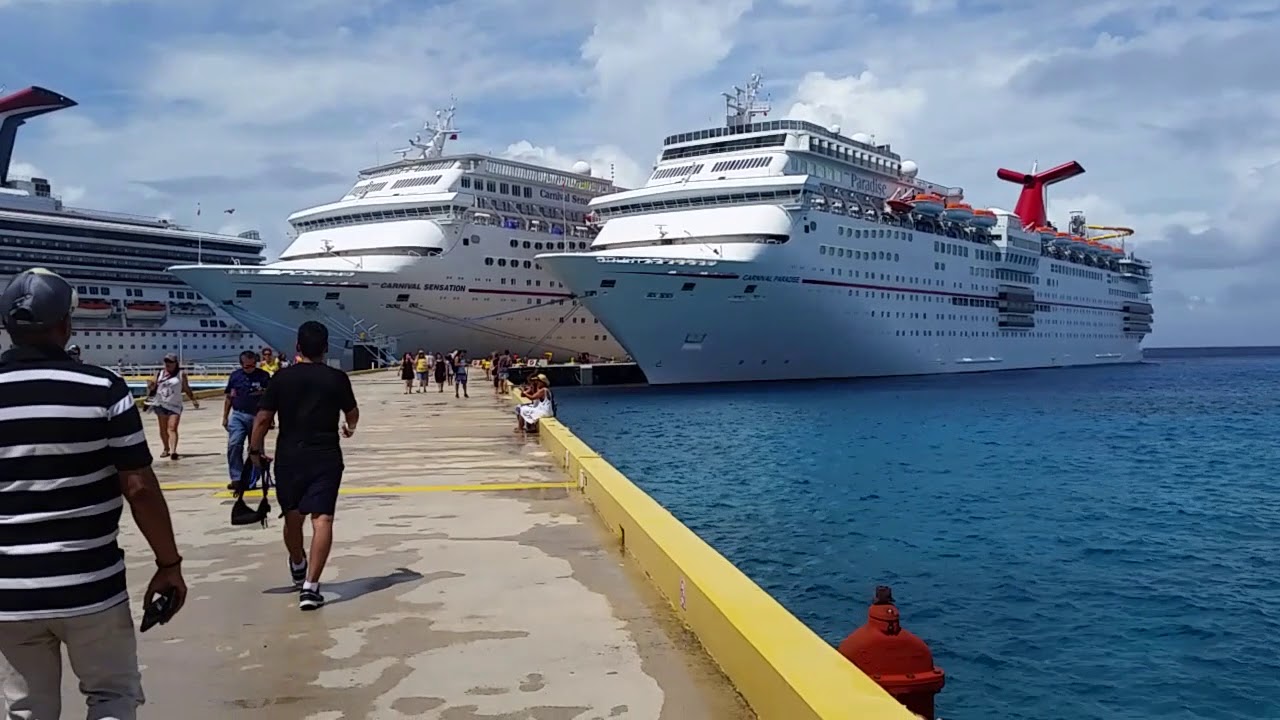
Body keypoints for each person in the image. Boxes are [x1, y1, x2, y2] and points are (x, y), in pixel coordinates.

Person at [0, 268, 187, 719]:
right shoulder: (103, 389)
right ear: (66, 325)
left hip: (8, 589)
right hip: (91, 584)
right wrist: (168, 564)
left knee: (26, 708)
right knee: (111, 697)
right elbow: (139, 488)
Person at [249, 321, 358, 611]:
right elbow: (352, 413)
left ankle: (298, 562)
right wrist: (349, 427)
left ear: (298, 347)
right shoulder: (337, 378)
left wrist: (255, 450)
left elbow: (262, 418)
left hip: (289, 456)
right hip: (325, 456)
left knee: (292, 517)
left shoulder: (281, 379)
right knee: (322, 520)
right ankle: (310, 587)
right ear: (325, 348)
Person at [223, 349, 271, 491]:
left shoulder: (264, 376)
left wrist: (270, 418)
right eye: (246, 366)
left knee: (255, 448)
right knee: (234, 444)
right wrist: (225, 416)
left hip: (257, 416)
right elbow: (229, 397)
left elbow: (270, 399)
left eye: (252, 365)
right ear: (241, 364)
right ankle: (237, 478)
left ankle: (251, 479)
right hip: (238, 414)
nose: (250, 369)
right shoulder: (235, 377)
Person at [148, 352, 199, 460]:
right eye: (166, 361)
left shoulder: (181, 374)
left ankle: (173, 451)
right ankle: (166, 449)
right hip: (160, 404)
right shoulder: (159, 373)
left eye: (170, 362)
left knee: (172, 428)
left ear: (176, 363)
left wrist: (193, 399)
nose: (167, 364)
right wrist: (150, 386)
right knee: (163, 428)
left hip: (175, 405)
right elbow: (152, 387)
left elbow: (186, 388)